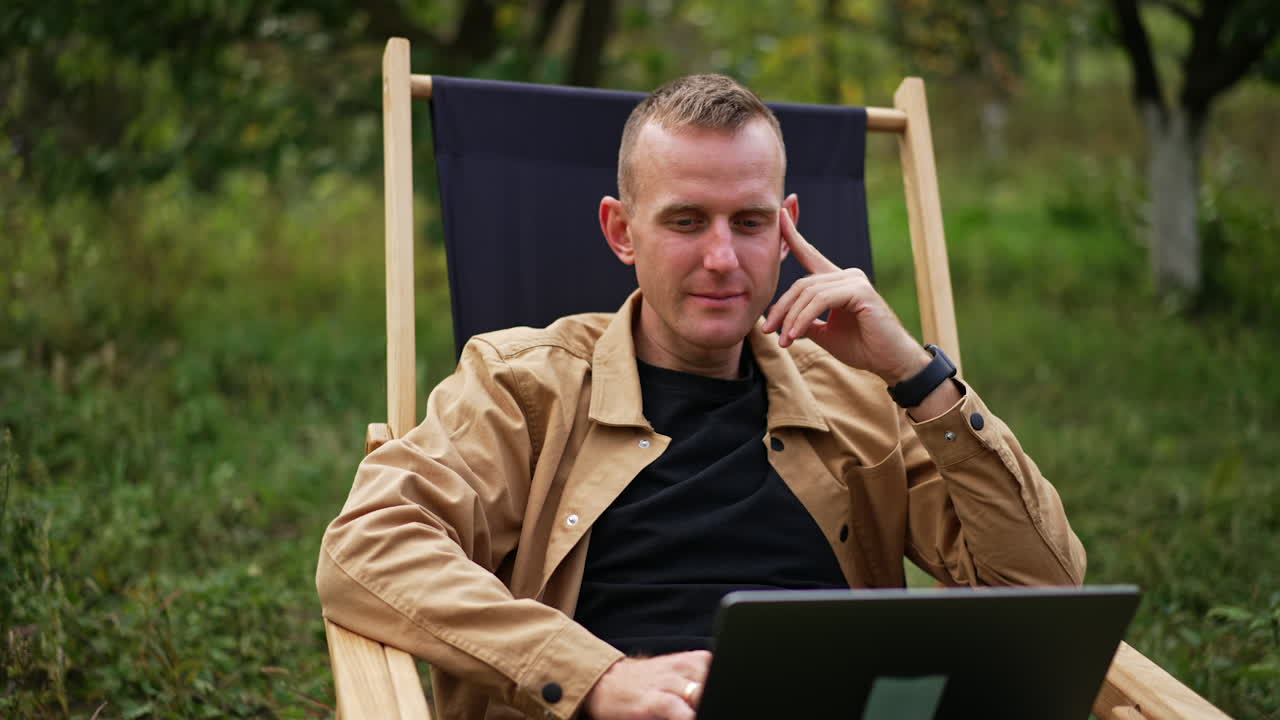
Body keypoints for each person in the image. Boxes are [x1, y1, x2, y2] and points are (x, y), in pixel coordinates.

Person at [317, 74, 1085, 720]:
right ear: (622, 231)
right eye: (685, 220)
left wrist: (918, 377)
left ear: (786, 230)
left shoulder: (866, 400)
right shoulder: (525, 385)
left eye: (749, 222)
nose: (722, 259)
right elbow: (366, 549)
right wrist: (594, 676)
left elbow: (1041, 590)